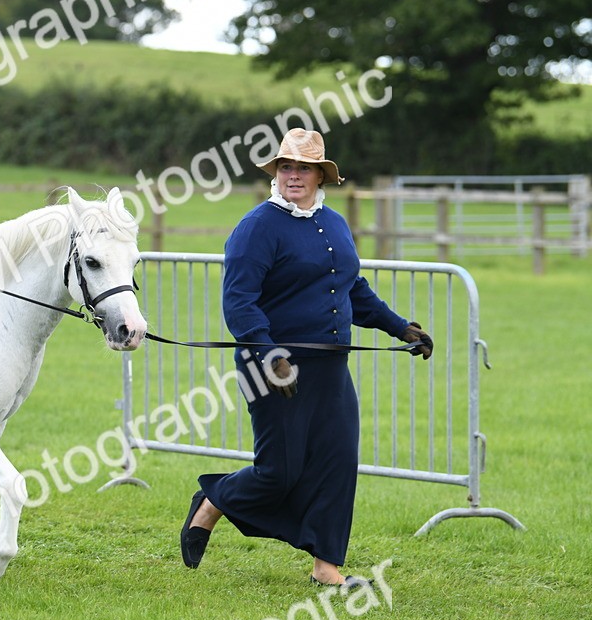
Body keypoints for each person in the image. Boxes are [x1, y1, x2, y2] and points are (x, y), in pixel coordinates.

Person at [179, 128, 433, 586]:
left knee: (337, 463)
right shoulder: (257, 227)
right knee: (279, 473)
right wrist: (267, 354)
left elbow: (353, 289)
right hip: (273, 367)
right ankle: (212, 501)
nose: (293, 175)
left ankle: (326, 567)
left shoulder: (334, 223)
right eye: (286, 167)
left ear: (321, 175)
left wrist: (400, 327)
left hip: (330, 367)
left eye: (303, 168)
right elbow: (239, 301)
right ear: (276, 174)